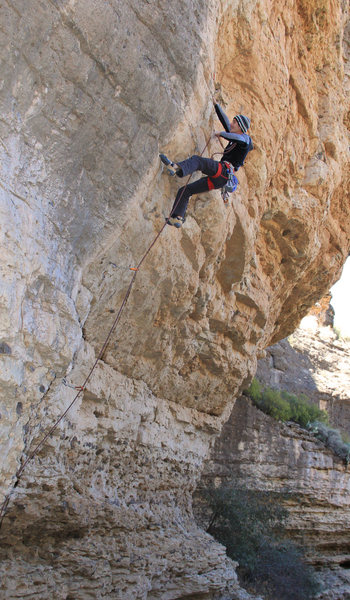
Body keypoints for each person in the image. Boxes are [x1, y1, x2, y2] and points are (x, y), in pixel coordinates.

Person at [160, 103, 253, 228]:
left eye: (235, 123)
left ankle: (175, 167)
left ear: (241, 127)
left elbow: (237, 137)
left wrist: (222, 134)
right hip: (219, 180)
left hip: (223, 171)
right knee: (186, 190)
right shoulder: (236, 137)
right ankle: (177, 217)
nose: (231, 124)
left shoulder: (245, 140)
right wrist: (216, 106)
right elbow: (225, 122)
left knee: (198, 161)